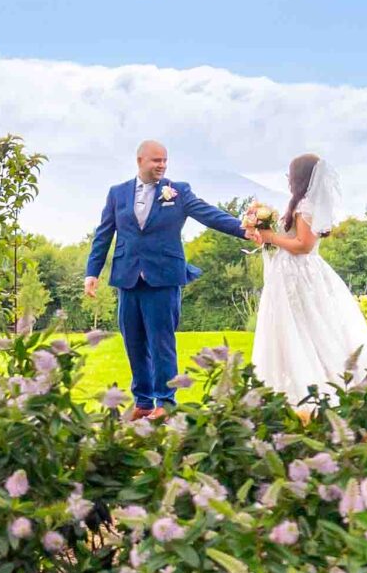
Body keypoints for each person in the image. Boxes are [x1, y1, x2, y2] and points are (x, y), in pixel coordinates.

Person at [84, 140, 253, 417]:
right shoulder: (117, 194)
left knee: (161, 342)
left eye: (164, 160)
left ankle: (165, 402)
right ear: (140, 161)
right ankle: (142, 402)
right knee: (134, 341)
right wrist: (92, 272)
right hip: (128, 277)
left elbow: (209, 215)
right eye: (156, 160)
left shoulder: (179, 191)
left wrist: (245, 229)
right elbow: (104, 233)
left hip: (163, 277)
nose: (161, 165)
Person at [245, 153, 367, 403]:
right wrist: (263, 235)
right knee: (292, 327)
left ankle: (320, 383)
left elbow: (303, 245)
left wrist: (271, 237)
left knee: (309, 325)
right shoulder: (301, 204)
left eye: (290, 175)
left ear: (299, 177)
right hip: (290, 271)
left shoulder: (306, 206)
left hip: (300, 274)